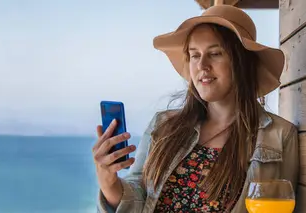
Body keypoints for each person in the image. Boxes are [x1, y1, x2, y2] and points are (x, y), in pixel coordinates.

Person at [92, 5, 300, 213]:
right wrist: (109, 182)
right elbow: (139, 192)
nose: (202, 65)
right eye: (194, 55)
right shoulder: (163, 126)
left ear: (242, 62)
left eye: (215, 53)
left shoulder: (280, 135)